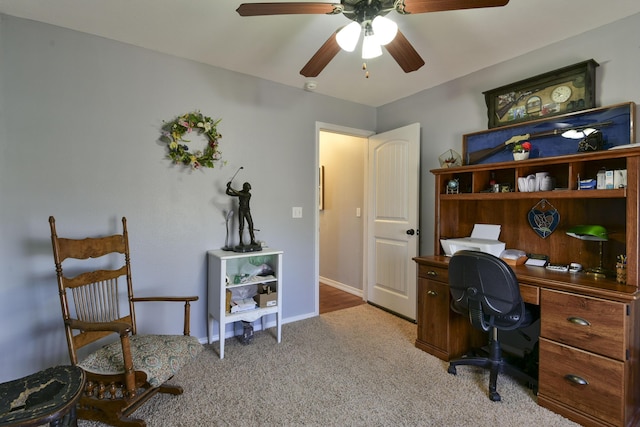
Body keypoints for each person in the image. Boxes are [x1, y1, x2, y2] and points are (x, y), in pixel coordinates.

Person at [226, 181, 256, 247]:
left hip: (247, 210)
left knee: (251, 224)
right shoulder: (241, 192)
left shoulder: (248, 194)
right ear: (244, 188)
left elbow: (239, 193)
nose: (248, 190)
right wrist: (228, 188)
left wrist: (230, 187)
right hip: (241, 210)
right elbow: (228, 193)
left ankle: (252, 240)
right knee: (241, 226)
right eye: (247, 188)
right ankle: (241, 242)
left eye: (249, 189)